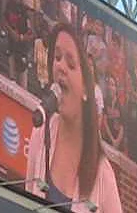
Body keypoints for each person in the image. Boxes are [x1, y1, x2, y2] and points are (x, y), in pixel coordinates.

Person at [26, 23, 122, 213]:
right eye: (57, 57)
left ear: (87, 90)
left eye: (70, 64)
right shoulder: (40, 132)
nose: (60, 66)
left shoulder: (103, 175)